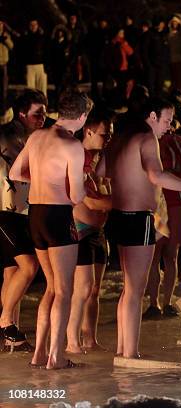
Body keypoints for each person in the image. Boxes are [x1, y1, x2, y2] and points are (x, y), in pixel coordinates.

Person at [101, 98, 181, 359]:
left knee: (128, 289)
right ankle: (130, 354)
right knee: (135, 291)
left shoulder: (121, 138)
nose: (169, 126)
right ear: (153, 116)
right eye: (167, 120)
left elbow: (101, 169)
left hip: (119, 216)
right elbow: (158, 176)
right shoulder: (146, 139)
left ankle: (125, 349)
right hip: (138, 218)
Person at [9, 90, 92, 369]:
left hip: (35, 215)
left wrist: (42, 178)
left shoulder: (36, 136)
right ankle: (56, 356)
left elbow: (15, 173)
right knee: (64, 290)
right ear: (82, 117)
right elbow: (78, 196)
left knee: (51, 289)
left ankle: (39, 354)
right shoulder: (72, 146)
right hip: (58, 216)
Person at [0, 89, 47, 351]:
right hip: (4, 211)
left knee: (11, 273)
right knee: (29, 266)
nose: (42, 118)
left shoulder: (32, 135)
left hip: (21, 211)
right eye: (36, 114)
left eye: (44, 113)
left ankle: (9, 333)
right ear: (21, 114)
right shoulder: (8, 134)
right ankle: (6, 322)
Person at [65, 111, 113, 353]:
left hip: (97, 231)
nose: (109, 138)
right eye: (105, 134)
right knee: (82, 288)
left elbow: (102, 196)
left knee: (94, 291)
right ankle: (72, 341)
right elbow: (92, 203)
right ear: (89, 131)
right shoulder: (77, 159)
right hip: (80, 230)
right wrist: (130, 201)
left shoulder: (96, 161)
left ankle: (89, 338)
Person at [143, 118, 181, 319]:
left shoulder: (150, 143)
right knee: (171, 256)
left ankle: (154, 304)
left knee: (154, 257)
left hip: (157, 203)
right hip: (178, 203)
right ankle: (167, 303)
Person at [22, 19, 48, 96]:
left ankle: (43, 107)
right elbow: (22, 53)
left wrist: (46, 66)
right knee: (30, 91)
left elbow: (46, 52)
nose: (33, 27)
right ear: (29, 26)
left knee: (42, 90)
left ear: (38, 26)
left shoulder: (42, 37)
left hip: (40, 65)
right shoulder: (25, 37)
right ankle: (32, 107)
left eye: (35, 25)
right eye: (31, 25)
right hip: (29, 66)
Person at [0, 21, 14, 115]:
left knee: (3, 88)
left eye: (0, 24)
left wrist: (5, 39)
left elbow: (11, 46)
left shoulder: (6, 35)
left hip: (3, 64)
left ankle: (2, 110)